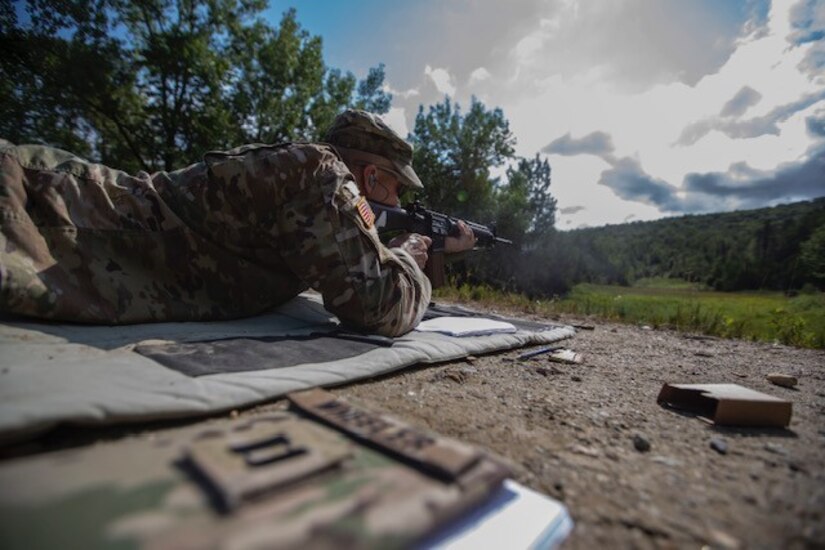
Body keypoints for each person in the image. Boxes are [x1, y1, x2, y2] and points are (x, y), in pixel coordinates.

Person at [0, 110, 475, 336]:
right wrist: (410, 256)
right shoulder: (324, 176)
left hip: (67, 214)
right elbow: (381, 306)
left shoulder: (307, 171)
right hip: (44, 207)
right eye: (396, 188)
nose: (396, 199)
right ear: (371, 175)